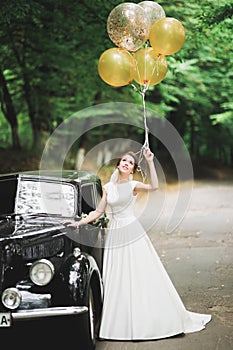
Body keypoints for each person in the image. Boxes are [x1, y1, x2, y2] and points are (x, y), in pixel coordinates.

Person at [64, 147, 211, 341]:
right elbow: (98, 212)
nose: (126, 164)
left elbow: (155, 187)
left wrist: (149, 161)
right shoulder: (108, 187)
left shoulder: (133, 185)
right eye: (124, 161)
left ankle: (146, 321)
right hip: (115, 234)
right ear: (118, 165)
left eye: (131, 163)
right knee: (118, 276)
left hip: (131, 231)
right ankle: (118, 324)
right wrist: (78, 222)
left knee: (139, 273)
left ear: (132, 169)